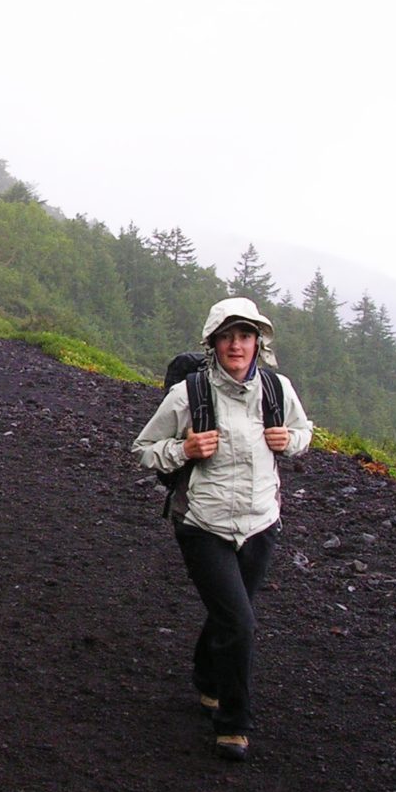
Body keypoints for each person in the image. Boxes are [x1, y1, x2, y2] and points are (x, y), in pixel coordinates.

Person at [132, 297, 312, 762]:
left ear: (258, 342)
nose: (237, 345)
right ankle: (233, 724)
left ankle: (207, 680)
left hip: (261, 524)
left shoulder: (277, 389)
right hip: (202, 524)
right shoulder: (187, 396)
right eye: (228, 336)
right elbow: (145, 449)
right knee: (240, 620)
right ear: (213, 343)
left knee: (232, 613)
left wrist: (288, 440)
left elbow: (304, 432)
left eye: (245, 336)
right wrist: (184, 450)